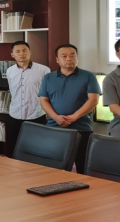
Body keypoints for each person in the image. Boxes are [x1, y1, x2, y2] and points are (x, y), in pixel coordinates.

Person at [39, 44, 101, 174]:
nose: (68, 58)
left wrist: (74, 117)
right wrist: (56, 117)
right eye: (64, 56)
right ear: (57, 59)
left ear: (77, 58)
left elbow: (93, 100)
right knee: (53, 165)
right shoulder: (48, 77)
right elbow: (43, 100)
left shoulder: (88, 76)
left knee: (83, 164)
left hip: (82, 127)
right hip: (54, 127)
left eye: (72, 55)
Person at [5, 41, 51, 157]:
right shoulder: (10, 71)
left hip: (36, 114)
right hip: (14, 114)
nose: (21, 53)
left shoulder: (44, 70)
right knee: (12, 148)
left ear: (30, 52)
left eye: (24, 50)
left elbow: (49, 92)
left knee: (37, 148)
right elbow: (12, 91)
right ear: (12, 54)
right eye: (18, 51)